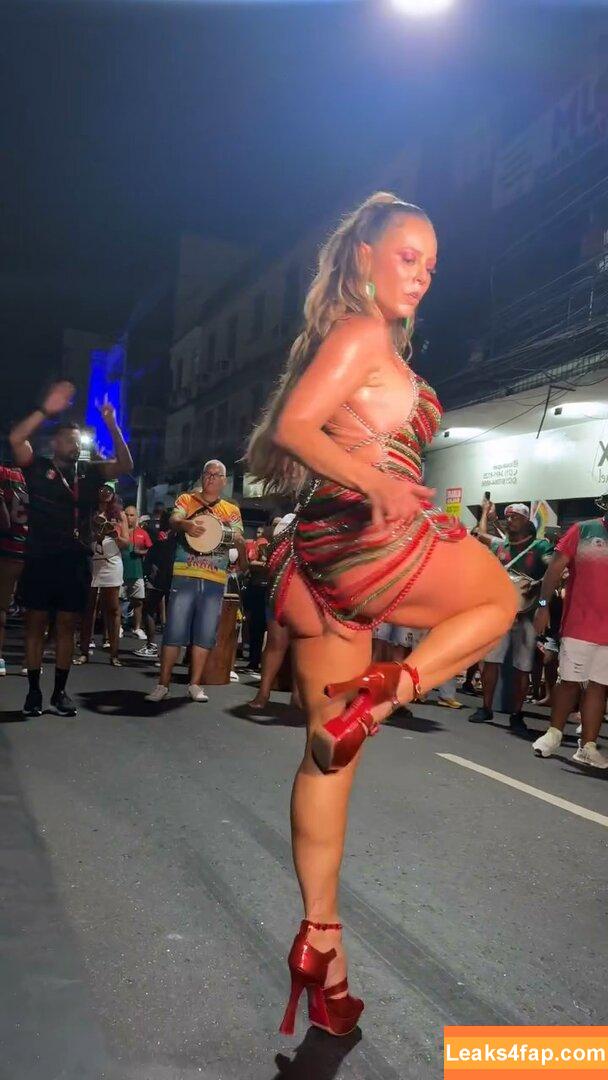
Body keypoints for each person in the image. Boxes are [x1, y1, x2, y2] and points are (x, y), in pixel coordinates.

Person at [246, 193, 517, 1037]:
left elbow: (323, 430)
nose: (423, 275)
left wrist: (382, 482)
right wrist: (380, 485)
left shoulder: (363, 340)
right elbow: (294, 427)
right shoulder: (362, 333)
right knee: (500, 600)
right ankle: (386, 696)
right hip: (362, 541)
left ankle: (322, 949)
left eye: (431, 265)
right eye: (407, 256)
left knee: (327, 761)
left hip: (319, 564)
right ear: (363, 255)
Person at [9, 382, 133, 717]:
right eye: (69, 439)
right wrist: (45, 410)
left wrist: (112, 423)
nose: (75, 444)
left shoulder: (90, 473)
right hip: (40, 557)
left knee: (66, 626)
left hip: (76, 560)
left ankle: (59, 693)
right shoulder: (38, 467)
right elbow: (16, 439)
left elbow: (125, 464)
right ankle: (34, 692)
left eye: (78, 440)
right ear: (55, 443)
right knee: (35, 625)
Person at [146, 460, 247, 703]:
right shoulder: (186, 499)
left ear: (224, 481)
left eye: (216, 474)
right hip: (185, 573)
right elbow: (174, 520)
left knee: (205, 633)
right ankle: (163, 684)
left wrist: (236, 542)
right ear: (202, 476)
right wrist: (185, 524)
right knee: (174, 630)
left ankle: (195, 684)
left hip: (214, 578)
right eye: (207, 473)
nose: (211, 477)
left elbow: (238, 535)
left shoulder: (231, 510)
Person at [532, 502, 608, 768]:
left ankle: (587, 747)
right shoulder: (583, 530)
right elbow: (554, 569)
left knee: (598, 686)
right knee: (570, 682)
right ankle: (553, 734)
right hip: (579, 625)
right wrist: (543, 606)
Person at [468, 500, 552, 733]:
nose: (511, 520)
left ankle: (517, 714)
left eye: (516, 517)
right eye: (508, 517)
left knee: (522, 667)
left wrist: (543, 606)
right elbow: (479, 535)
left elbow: (553, 574)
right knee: (490, 661)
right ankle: (486, 708)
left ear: (527, 521)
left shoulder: (540, 547)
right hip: (501, 614)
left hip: (526, 616)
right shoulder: (501, 545)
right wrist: (486, 512)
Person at [74, 484, 129, 666]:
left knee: (112, 609)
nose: (105, 493)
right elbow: (82, 538)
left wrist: (112, 533)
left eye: (109, 490)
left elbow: (126, 542)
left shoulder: (119, 515)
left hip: (111, 562)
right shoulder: (91, 513)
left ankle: (114, 654)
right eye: (102, 489)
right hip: (92, 561)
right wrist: (93, 536)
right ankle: (84, 651)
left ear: (113, 493)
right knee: (88, 608)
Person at [0, 463, 28, 676]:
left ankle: (0, 657)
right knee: (32, 610)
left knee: (1, 607)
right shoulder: (37, 478)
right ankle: (30, 659)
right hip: (31, 547)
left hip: (8, 546)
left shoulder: (5, 475)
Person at [136, 508, 174, 660]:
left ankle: (153, 646)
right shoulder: (181, 537)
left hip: (160, 577)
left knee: (149, 610)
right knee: (171, 614)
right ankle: (172, 651)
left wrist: (149, 572)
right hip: (172, 578)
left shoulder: (164, 537)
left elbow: (153, 555)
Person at [122, 506, 152, 639]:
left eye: (132, 515)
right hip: (120, 572)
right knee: (118, 601)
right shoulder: (119, 531)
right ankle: (118, 626)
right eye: (127, 515)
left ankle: (137, 628)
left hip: (137, 572)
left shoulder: (142, 533)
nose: (129, 517)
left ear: (136, 517)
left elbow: (151, 550)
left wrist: (141, 551)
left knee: (138, 601)